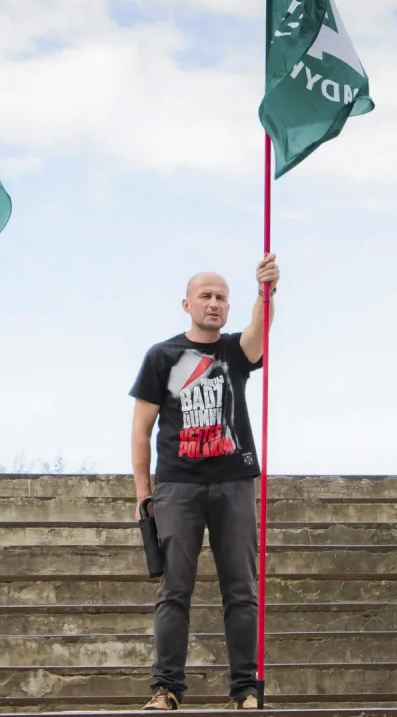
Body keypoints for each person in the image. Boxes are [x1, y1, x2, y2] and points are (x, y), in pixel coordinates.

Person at [129, 253, 279, 710]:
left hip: (234, 483)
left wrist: (265, 291)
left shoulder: (234, 351)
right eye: (205, 296)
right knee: (175, 590)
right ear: (187, 304)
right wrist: (143, 497)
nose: (213, 304)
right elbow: (141, 429)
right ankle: (166, 689)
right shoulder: (163, 356)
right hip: (178, 486)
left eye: (221, 298)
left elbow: (260, 333)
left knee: (242, 591)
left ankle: (245, 692)